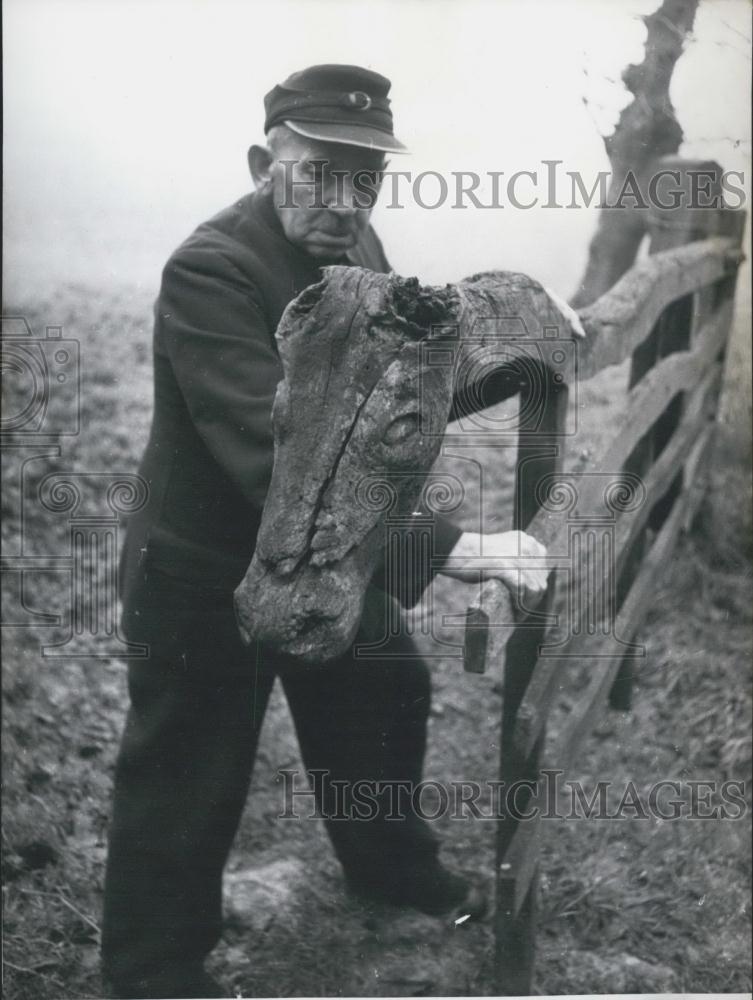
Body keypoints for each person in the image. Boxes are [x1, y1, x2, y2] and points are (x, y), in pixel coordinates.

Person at [101, 64, 550, 999]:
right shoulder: (210, 270)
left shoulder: (353, 243)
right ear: (266, 162)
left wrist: (524, 344)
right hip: (204, 564)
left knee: (383, 677)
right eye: (319, 174)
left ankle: (389, 867)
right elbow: (276, 457)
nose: (345, 203)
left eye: (366, 179)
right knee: (189, 767)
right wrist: (448, 547)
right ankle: (152, 969)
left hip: (324, 552)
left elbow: (395, 383)